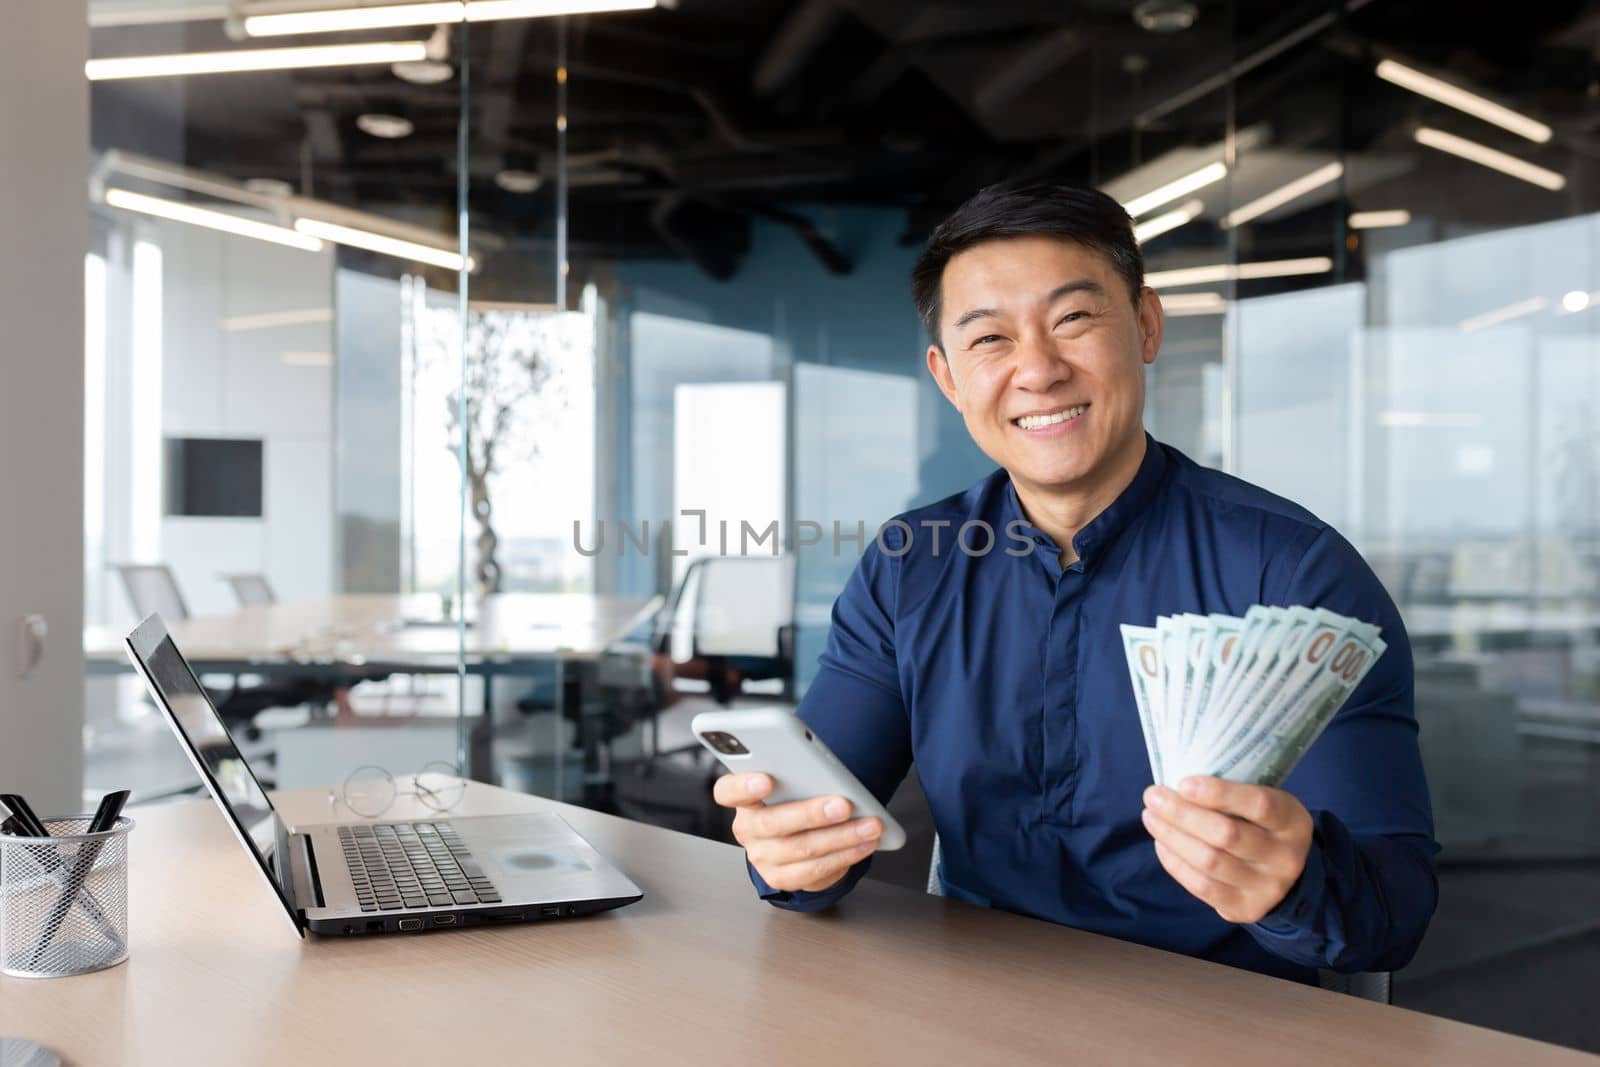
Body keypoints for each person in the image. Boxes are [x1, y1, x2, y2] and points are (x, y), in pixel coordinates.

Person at [712, 183, 1438, 984]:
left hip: (1222, 1014)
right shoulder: (909, 563)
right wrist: (788, 857)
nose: (1039, 370)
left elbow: (1393, 910)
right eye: (989, 339)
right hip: (979, 1007)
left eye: (1074, 319)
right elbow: (821, 819)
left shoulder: (1295, 572)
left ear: (1147, 325)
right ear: (949, 379)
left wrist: (1295, 883)